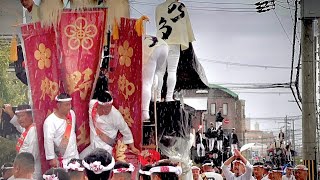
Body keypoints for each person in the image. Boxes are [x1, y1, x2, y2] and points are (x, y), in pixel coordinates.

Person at [155, 0, 195, 102]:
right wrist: (189, 38)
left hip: (161, 42)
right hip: (175, 42)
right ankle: (169, 97)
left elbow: (157, 24)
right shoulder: (181, 7)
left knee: (160, 72)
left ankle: (158, 96)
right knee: (172, 71)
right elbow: (187, 25)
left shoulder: (159, 8)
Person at [86, 91, 139, 155]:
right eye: (104, 108)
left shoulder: (115, 115)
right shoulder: (92, 105)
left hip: (106, 148)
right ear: (99, 105)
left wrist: (132, 147)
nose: (106, 110)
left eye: (109, 107)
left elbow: (125, 130)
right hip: (93, 144)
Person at [4, 104, 41, 180]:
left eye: (22, 116)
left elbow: (32, 155)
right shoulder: (26, 129)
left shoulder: (33, 131)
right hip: (21, 168)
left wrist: (20, 170)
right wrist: (10, 112)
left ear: (31, 116)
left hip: (29, 172)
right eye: (18, 117)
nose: (20, 119)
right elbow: (17, 125)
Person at [43, 93, 79, 168]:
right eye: (66, 105)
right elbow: (48, 140)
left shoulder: (72, 114)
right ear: (59, 105)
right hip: (62, 159)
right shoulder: (50, 121)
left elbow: (72, 132)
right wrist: (51, 158)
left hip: (75, 156)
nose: (69, 107)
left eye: (70, 104)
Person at [142, 35, 168, 120]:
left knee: (146, 81)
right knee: (155, 73)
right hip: (163, 45)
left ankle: (145, 112)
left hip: (150, 48)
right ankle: (155, 96)